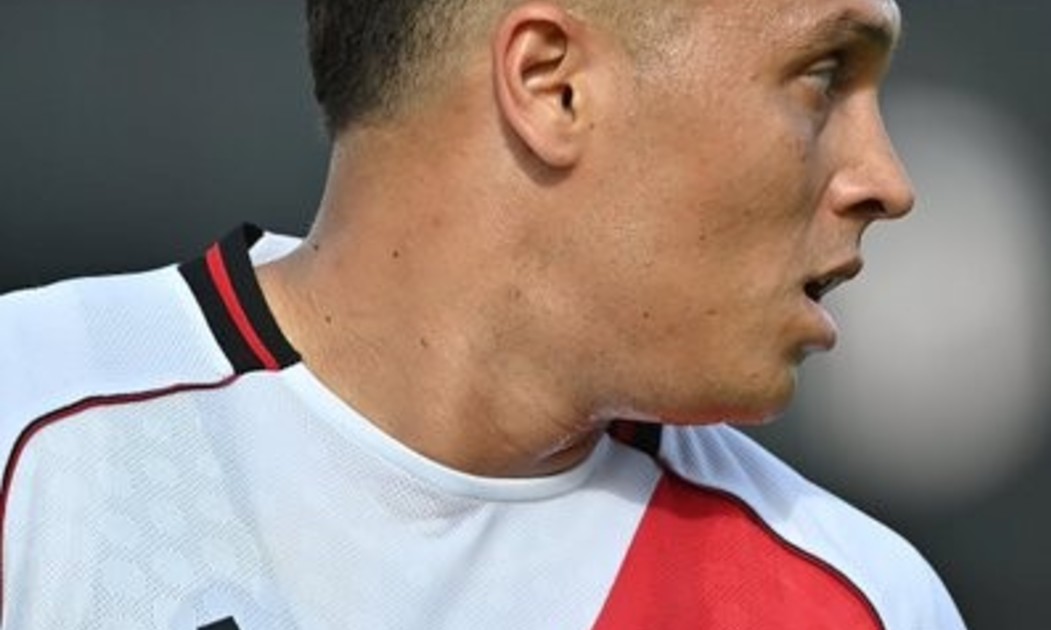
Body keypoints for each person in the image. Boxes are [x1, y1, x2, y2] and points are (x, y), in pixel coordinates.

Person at [0, 0, 967, 627]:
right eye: (825, 75)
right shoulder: (27, 432)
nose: (885, 180)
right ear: (553, 85)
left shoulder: (859, 603)